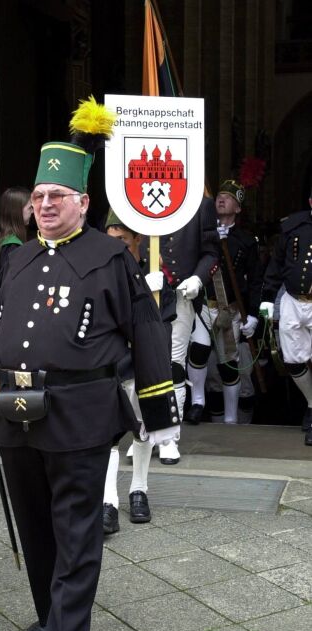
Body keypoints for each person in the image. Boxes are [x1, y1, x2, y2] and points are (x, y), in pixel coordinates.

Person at [0, 96, 177, 631]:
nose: (45, 205)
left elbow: (148, 333)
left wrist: (158, 414)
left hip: (82, 416)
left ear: (83, 203)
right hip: (14, 416)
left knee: (78, 534)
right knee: (35, 528)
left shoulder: (112, 257)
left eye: (56, 197)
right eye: (38, 197)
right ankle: (49, 615)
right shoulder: (17, 258)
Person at [102, 210, 176, 532]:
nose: (115, 246)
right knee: (106, 436)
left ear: (136, 240)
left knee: (143, 427)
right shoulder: (100, 272)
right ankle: (108, 500)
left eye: (121, 240)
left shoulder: (156, 273)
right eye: (110, 240)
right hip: (112, 364)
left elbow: (165, 324)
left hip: (142, 363)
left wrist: (154, 295)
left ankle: (139, 490)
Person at [142, 192, 219, 463]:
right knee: (140, 366)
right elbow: (120, 241)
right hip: (140, 294)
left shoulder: (200, 203)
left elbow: (211, 252)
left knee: (173, 365)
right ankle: (145, 433)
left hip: (179, 295)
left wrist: (198, 278)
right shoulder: (133, 191)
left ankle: (169, 437)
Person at [186, 180, 264, 424]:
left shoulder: (246, 241)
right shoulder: (201, 231)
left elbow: (254, 280)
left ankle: (231, 420)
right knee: (197, 352)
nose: (221, 199)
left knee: (228, 365)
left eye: (229, 197)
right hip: (202, 305)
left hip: (230, 310)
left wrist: (253, 314)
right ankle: (198, 402)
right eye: (219, 195)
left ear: (238, 208)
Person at [260, 191, 312, 445]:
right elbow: (276, 264)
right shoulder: (293, 226)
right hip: (292, 300)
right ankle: (311, 403)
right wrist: (268, 297)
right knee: (291, 359)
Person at [0, 186, 33, 276]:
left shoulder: (5, 238)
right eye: (30, 208)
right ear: (17, 211)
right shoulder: (11, 246)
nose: (33, 212)